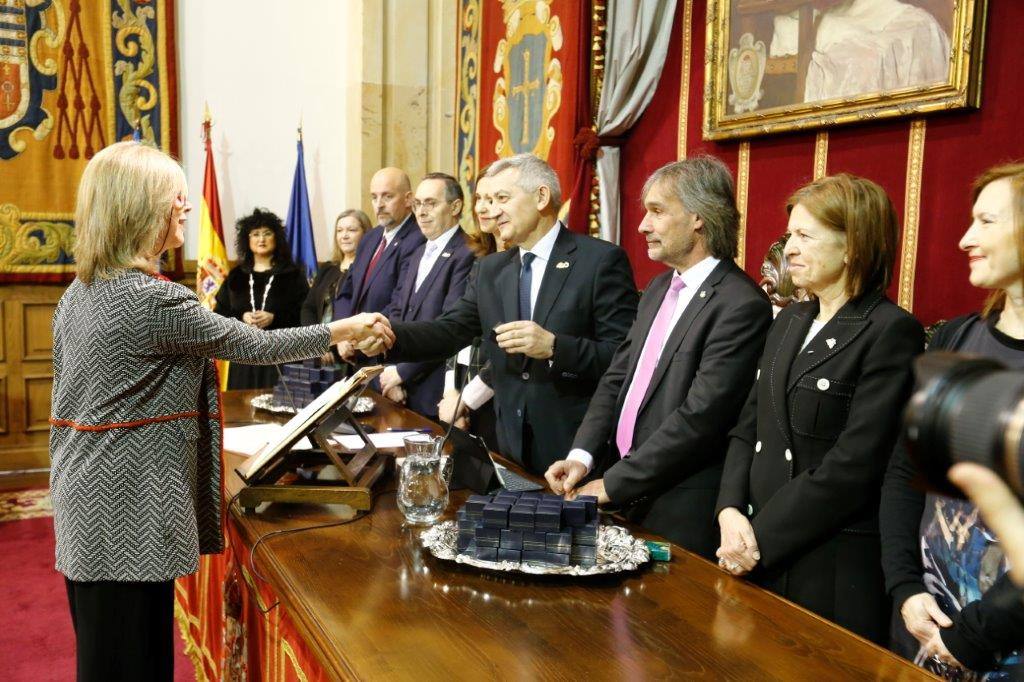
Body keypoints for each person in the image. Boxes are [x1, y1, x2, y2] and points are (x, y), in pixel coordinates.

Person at [49, 141, 392, 681]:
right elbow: (250, 345)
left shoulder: (83, 290)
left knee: (110, 656)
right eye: (174, 197)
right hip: (128, 507)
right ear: (138, 208)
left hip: (90, 501)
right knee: (130, 660)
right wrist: (341, 329)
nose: (185, 207)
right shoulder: (149, 299)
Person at [714, 173, 925, 645]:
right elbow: (748, 426)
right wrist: (729, 510)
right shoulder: (790, 318)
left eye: (805, 236)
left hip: (825, 565)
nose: (788, 248)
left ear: (853, 245)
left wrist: (756, 539)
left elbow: (853, 466)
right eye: (790, 234)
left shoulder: (890, 331)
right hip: (751, 547)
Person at [544, 156, 773, 559]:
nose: (642, 226)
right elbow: (617, 378)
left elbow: (701, 417)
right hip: (624, 490)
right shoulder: (657, 288)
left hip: (678, 503)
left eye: (657, 211)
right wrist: (582, 456)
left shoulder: (740, 304)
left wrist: (615, 483)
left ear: (699, 217)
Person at [369, 153, 639, 474]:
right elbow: (448, 330)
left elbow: (625, 359)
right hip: (507, 448)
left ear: (541, 197)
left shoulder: (599, 262)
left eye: (502, 198)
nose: (491, 209)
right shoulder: (490, 269)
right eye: (488, 199)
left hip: (574, 449)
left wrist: (555, 347)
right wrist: (385, 335)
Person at [880, 162, 1024, 677]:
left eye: (987, 222)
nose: (966, 238)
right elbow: (904, 471)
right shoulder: (956, 339)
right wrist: (906, 589)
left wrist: (969, 638)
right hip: (922, 625)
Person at [377, 173, 475, 418]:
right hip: (399, 386)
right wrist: (392, 371)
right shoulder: (418, 252)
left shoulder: (468, 253)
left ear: (455, 207)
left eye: (430, 203)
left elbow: (451, 328)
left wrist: (402, 372)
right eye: (418, 204)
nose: (420, 212)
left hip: (435, 391)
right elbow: (398, 312)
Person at [333, 167, 426, 360]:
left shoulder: (418, 239)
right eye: (374, 197)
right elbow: (346, 291)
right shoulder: (370, 238)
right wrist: (343, 332)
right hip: (356, 349)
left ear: (408, 199)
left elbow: (400, 301)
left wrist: (360, 332)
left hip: (385, 351)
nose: (379, 205)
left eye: (387, 197)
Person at [213, 208, 309, 389]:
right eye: (255, 234)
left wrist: (275, 318)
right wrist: (242, 318)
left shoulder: (293, 275)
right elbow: (219, 314)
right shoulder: (236, 276)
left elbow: (305, 315)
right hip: (244, 357)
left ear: (277, 238)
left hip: (282, 356)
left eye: (267, 233)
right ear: (247, 240)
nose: (261, 239)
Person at [438, 170, 500, 446]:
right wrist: (452, 391)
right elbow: (457, 327)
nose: (483, 207)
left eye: (496, 198)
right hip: (462, 387)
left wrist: (467, 400)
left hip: (492, 395)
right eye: (479, 198)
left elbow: (508, 351)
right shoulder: (478, 258)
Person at [301, 209, 371, 327]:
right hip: (320, 339)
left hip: (350, 340)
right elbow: (309, 307)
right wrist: (314, 335)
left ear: (366, 234)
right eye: (339, 231)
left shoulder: (369, 269)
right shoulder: (328, 269)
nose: (344, 236)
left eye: (351, 230)